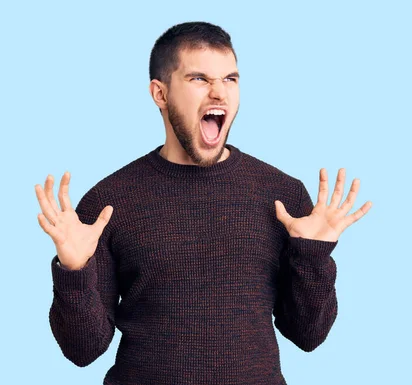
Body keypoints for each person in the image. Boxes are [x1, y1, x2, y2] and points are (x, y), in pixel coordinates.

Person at [34, 21, 372, 385]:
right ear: (160, 94)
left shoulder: (284, 198)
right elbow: (82, 351)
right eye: (199, 79)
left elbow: (308, 336)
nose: (219, 93)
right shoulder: (107, 205)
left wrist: (313, 257)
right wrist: (74, 271)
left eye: (230, 79)